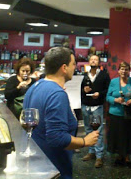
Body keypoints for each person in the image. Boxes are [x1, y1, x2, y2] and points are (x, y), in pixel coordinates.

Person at [23, 47, 99, 179]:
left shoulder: (36, 86)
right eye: (73, 64)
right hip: (55, 166)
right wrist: (84, 141)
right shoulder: (57, 94)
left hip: (38, 161)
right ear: (64, 68)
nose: (75, 67)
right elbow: (57, 137)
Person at [106, 62, 131, 166]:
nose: (123, 71)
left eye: (126, 69)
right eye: (121, 69)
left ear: (129, 71)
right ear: (118, 70)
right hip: (115, 114)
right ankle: (119, 155)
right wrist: (115, 100)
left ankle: (127, 156)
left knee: (128, 135)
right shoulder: (113, 82)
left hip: (128, 114)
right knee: (116, 136)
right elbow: (108, 97)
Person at [81, 55, 110, 168]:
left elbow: (108, 89)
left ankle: (99, 155)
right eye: (91, 59)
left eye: (95, 59)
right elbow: (79, 91)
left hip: (97, 107)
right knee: (88, 129)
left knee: (97, 130)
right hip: (85, 106)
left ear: (99, 62)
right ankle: (91, 152)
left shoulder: (104, 75)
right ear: (89, 62)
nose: (93, 61)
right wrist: (84, 90)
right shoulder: (84, 76)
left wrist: (100, 94)